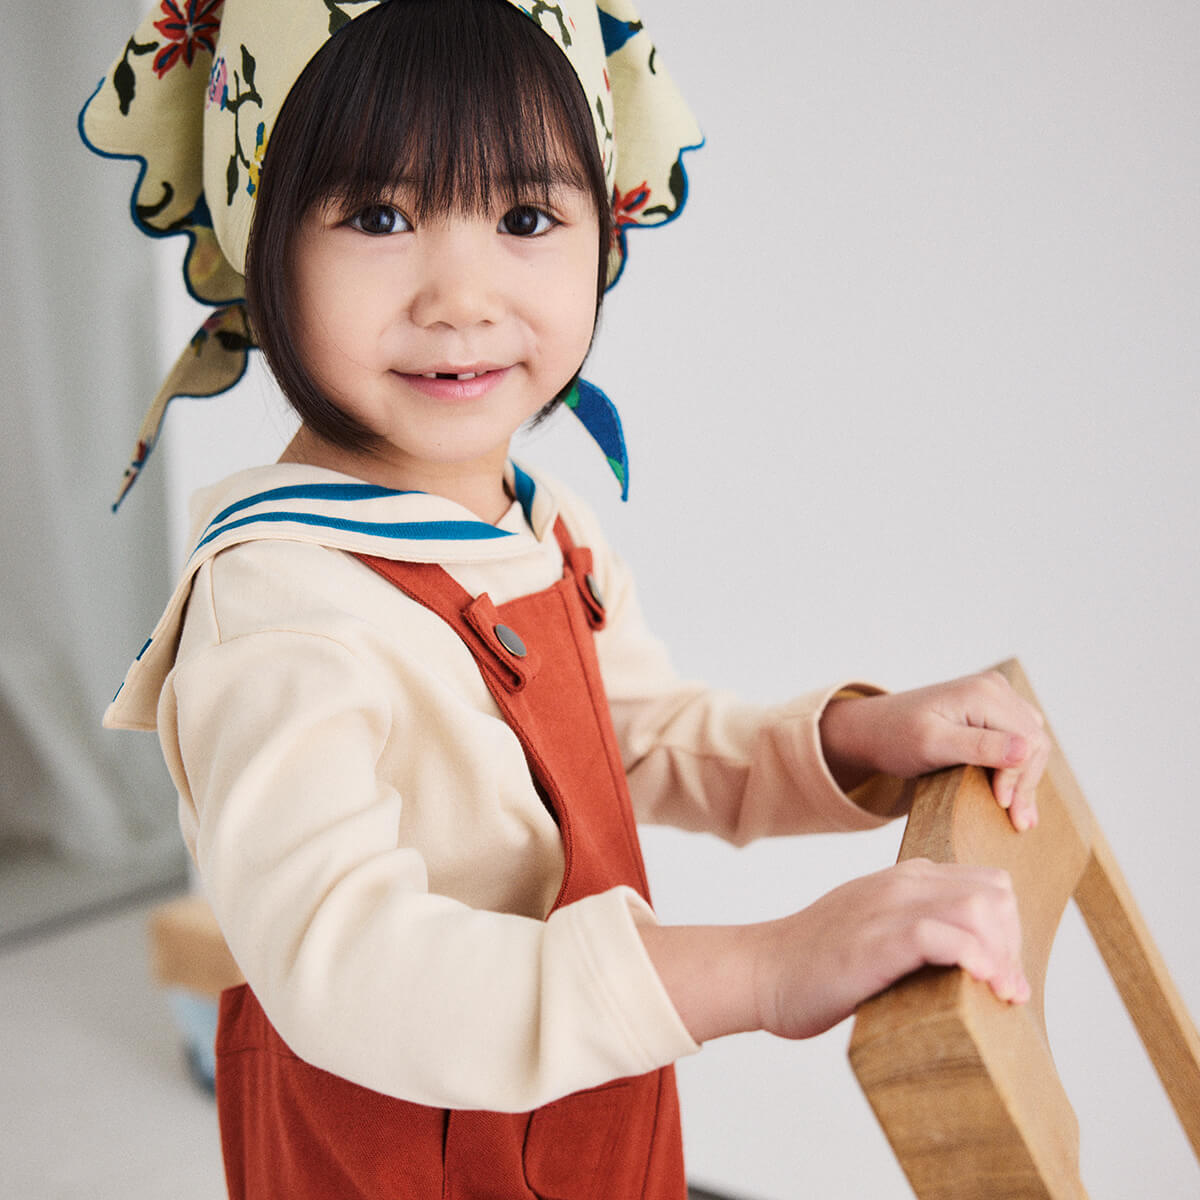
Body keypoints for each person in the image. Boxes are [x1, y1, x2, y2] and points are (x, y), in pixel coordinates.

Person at [83, 0, 1049, 1196]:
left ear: (603, 236)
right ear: (261, 242)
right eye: (379, 216)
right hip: (406, 1166)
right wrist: (762, 969)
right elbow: (349, 966)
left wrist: (855, 740)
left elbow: (638, 737)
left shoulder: (541, 530)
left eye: (525, 218)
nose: (462, 295)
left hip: (589, 1119)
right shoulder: (279, 609)